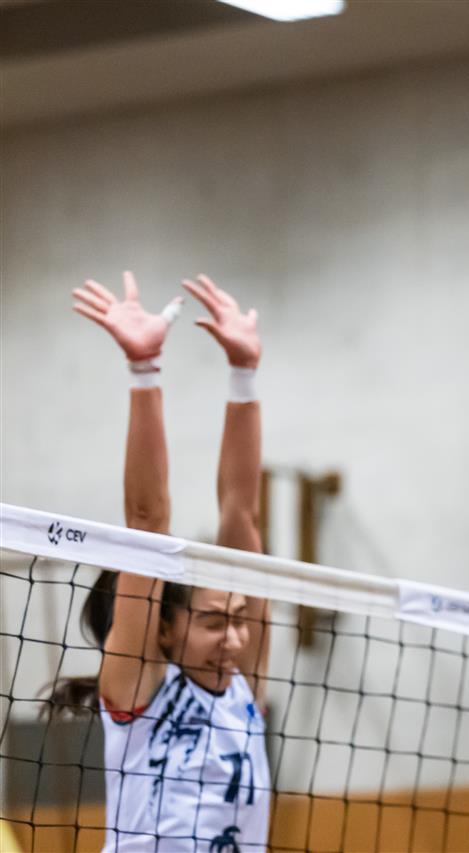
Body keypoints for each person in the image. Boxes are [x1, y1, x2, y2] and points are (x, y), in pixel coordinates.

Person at [49, 272, 270, 852]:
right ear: (165, 628)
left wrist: (244, 374)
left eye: (239, 619)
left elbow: (242, 511)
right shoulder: (139, 692)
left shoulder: (244, 688)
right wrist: (144, 369)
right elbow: (147, 520)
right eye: (214, 622)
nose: (234, 639)